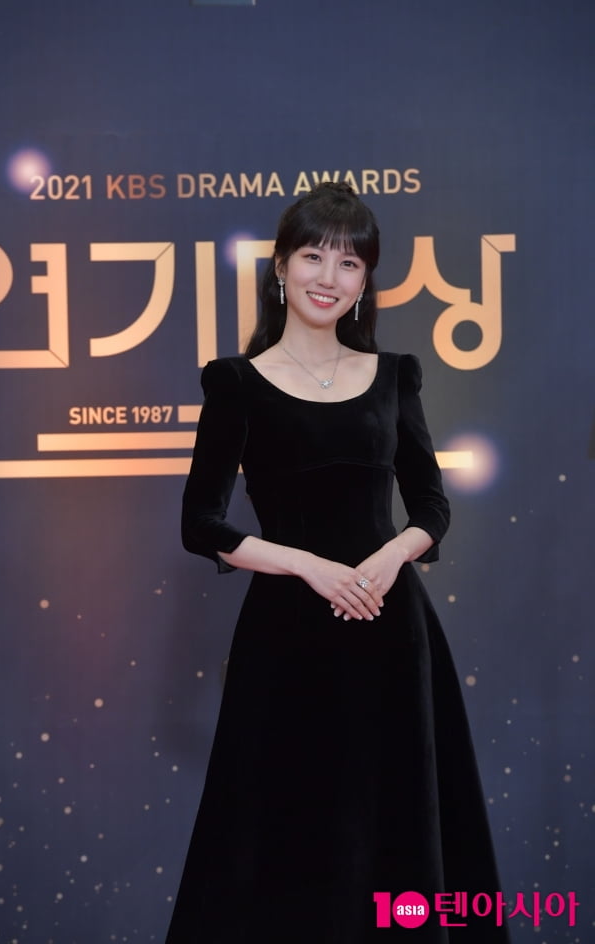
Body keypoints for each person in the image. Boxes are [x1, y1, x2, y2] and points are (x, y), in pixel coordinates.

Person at [165, 183, 510, 942]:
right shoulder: (236, 383)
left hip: (391, 630)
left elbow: (432, 506)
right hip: (285, 637)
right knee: (282, 833)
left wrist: (389, 558)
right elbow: (201, 524)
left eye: (349, 263)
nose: (329, 277)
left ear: (365, 281)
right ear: (281, 267)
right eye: (314, 256)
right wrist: (310, 567)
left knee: (396, 826)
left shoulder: (394, 376)